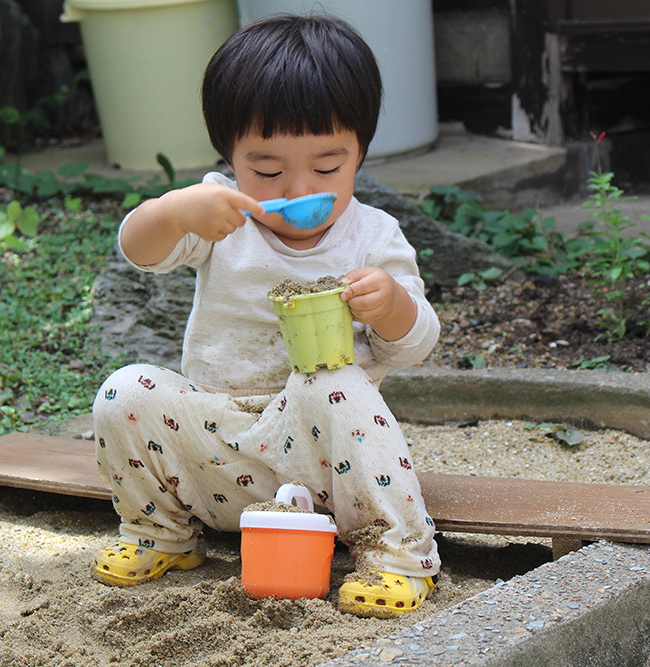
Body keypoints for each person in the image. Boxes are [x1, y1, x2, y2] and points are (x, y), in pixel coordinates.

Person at [90, 14, 441, 618]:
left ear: (361, 151)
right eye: (269, 171)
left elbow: (416, 345)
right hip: (214, 447)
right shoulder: (219, 214)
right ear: (229, 157)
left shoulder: (374, 236)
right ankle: (163, 534)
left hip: (323, 463)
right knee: (125, 390)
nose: (297, 187)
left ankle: (397, 556)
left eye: (327, 168)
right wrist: (175, 210)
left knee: (335, 381)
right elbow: (138, 251)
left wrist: (393, 307)